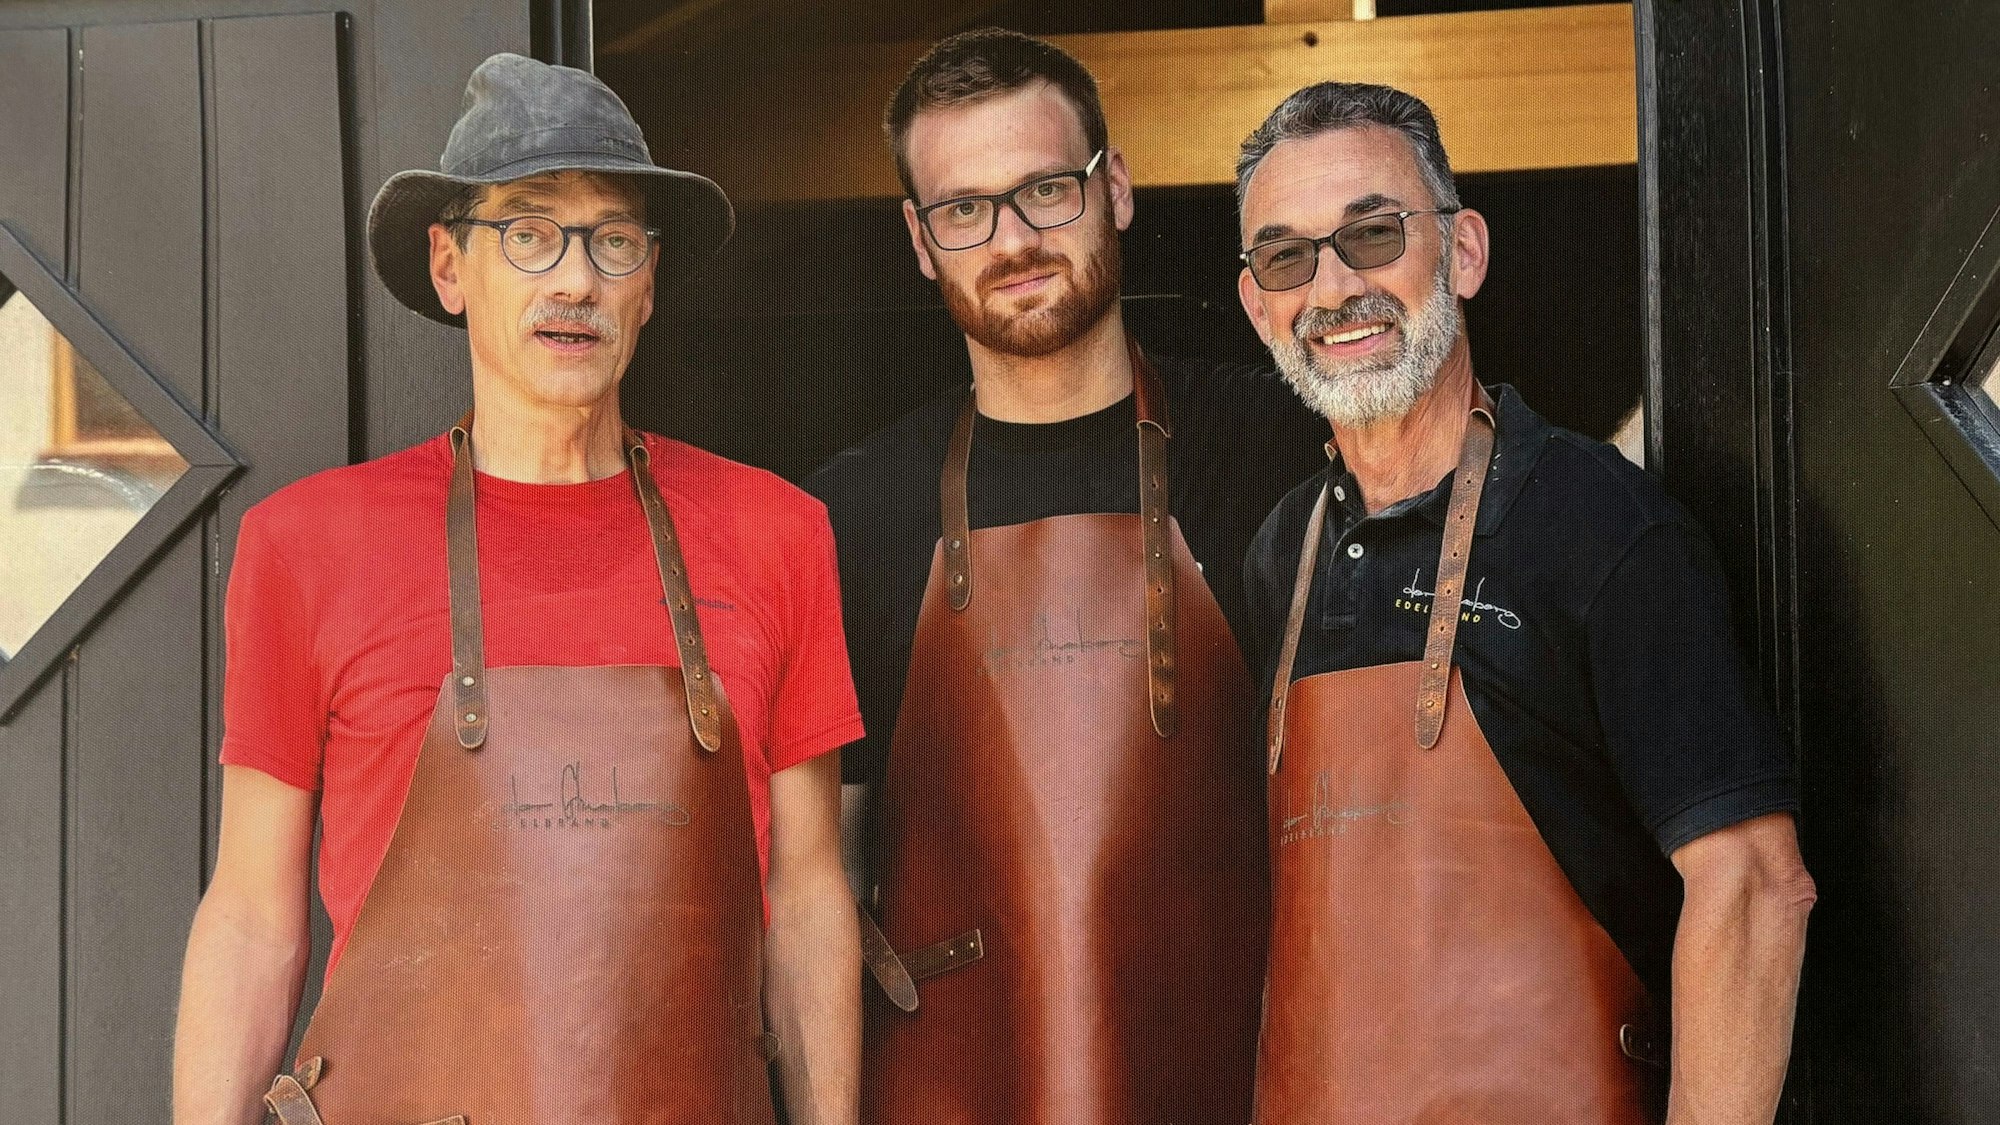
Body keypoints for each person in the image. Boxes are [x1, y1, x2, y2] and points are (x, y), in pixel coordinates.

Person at [170, 54, 861, 1125]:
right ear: (451, 267)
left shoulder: (776, 534)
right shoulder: (303, 546)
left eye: (611, 240)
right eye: (528, 232)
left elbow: (806, 900)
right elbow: (255, 917)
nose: (574, 279)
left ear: (649, 280)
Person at [1234, 81, 1816, 1124]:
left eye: (1370, 235)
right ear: (1256, 303)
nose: (1329, 288)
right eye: (1285, 256)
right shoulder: (1281, 551)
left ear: (1460, 252)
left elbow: (1751, 887)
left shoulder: (1600, 525)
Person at [804, 27, 1327, 1125]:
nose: (1012, 239)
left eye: (1046, 189)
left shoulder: (1275, 445)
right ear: (918, 239)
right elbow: (818, 886)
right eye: (964, 209)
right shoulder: (851, 514)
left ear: (1114, 189)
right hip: (952, 1088)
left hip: (1235, 1083)